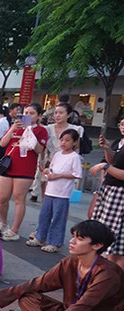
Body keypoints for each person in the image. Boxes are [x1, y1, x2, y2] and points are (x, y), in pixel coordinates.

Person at [0, 103, 48, 241]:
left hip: (25, 169)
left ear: (38, 116)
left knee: (19, 199)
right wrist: (13, 128)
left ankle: (14, 230)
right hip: (8, 165)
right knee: (3, 197)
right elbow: (3, 143)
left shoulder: (40, 131)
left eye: (32, 113)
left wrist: (30, 131)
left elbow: (39, 149)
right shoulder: (16, 127)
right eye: (26, 112)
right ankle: (3, 222)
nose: (28, 115)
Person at [26, 129, 83, 253]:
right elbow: (51, 170)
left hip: (62, 193)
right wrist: (46, 171)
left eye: (67, 140)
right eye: (62, 140)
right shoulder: (58, 155)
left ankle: (55, 242)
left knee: (58, 217)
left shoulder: (75, 157)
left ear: (74, 142)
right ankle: (40, 237)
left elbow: (77, 174)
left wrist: (58, 176)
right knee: (44, 215)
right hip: (50, 191)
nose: (63, 143)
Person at [32, 103, 84, 202]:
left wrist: (75, 162)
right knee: (46, 195)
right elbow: (43, 147)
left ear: (68, 115)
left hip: (66, 165)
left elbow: (77, 149)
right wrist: (41, 161)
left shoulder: (76, 129)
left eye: (61, 113)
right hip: (49, 162)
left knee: (62, 198)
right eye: (55, 113)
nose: (57, 115)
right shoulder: (48, 129)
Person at [91, 119, 124, 270]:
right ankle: (107, 276)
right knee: (108, 237)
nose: (123, 127)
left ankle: (116, 281)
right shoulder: (119, 142)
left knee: (118, 244)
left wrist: (105, 166)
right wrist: (107, 148)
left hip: (120, 194)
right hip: (110, 190)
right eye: (121, 124)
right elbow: (114, 162)